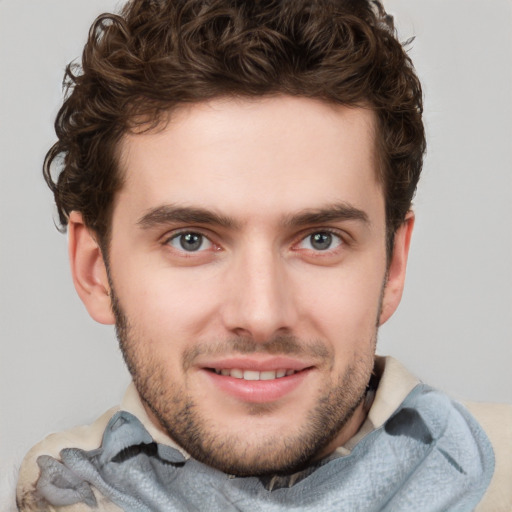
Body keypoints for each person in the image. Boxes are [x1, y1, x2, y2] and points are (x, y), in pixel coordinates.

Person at [15, 0, 511, 510]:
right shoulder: (51, 491)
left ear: (393, 265)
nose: (260, 314)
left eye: (320, 239)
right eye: (191, 240)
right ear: (95, 271)